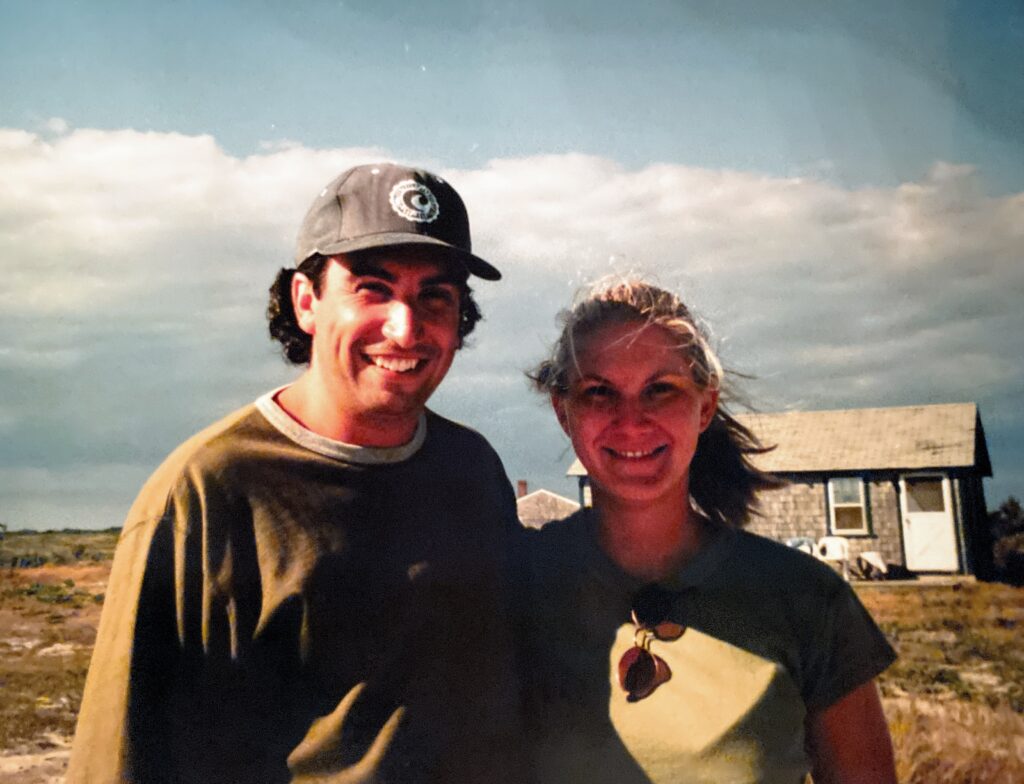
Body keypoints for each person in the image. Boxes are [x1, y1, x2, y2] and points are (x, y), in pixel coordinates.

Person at [67, 163, 525, 784]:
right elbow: (121, 754)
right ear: (306, 301)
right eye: (372, 288)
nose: (405, 327)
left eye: (434, 296)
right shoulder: (208, 490)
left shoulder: (471, 469)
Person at [522, 277, 897, 784]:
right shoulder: (513, 584)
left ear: (705, 406)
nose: (631, 421)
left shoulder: (808, 600)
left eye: (660, 390)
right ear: (563, 412)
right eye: (599, 393)